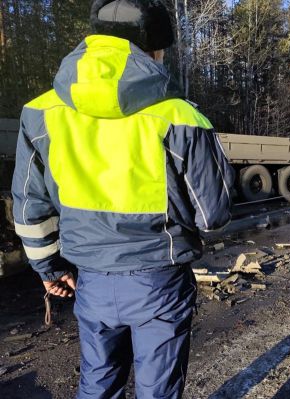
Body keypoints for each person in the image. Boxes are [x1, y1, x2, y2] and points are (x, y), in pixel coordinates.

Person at [11, 0, 234, 397]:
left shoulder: (41, 112)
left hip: (90, 281)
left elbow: (30, 206)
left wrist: (48, 267)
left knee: (97, 386)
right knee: (158, 389)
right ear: (155, 49)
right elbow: (213, 215)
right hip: (160, 282)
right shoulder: (181, 116)